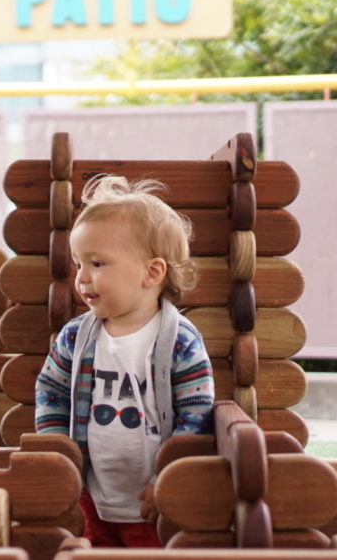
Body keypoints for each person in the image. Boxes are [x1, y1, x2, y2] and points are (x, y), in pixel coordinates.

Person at [34, 174, 214, 548]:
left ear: (152, 272)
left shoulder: (179, 341)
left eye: (97, 264)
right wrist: (58, 452)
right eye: (78, 264)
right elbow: (50, 391)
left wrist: (166, 480)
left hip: (153, 503)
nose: (81, 278)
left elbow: (196, 414)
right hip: (92, 496)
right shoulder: (75, 337)